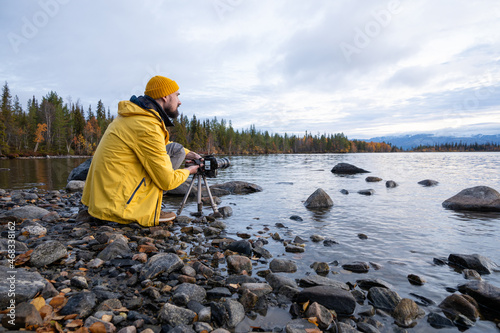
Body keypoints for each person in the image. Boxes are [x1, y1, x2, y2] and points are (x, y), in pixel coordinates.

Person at [82, 75, 201, 227]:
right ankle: (146, 209)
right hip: (116, 208)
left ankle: (149, 204)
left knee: (177, 150)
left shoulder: (137, 116)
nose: (179, 101)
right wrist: (190, 170)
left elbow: (160, 144)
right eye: (177, 95)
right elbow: (167, 181)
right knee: (162, 175)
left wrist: (189, 153)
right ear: (165, 96)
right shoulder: (147, 125)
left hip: (103, 197)